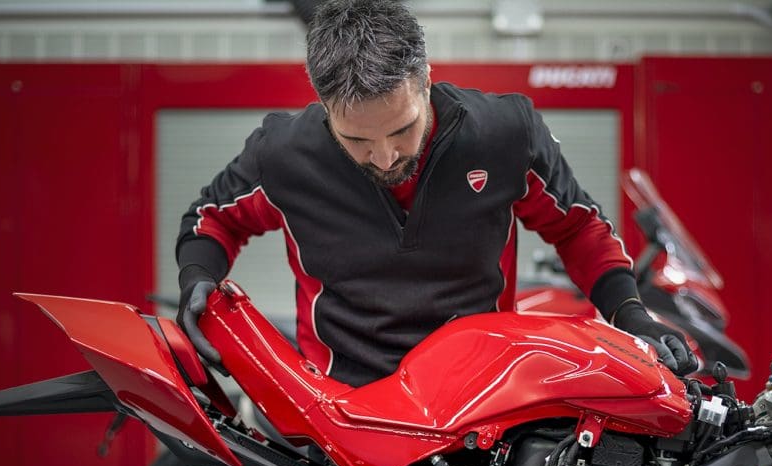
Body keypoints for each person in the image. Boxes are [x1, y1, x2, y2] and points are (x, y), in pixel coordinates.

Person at [176, 0, 694, 387]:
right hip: (342, 404)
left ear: (425, 81)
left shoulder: (503, 134)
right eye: (356, 140)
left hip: (480, 394)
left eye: (401, 130)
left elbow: (577, 226)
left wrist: (629, 314)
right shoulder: (284, 153)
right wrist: (198, 277)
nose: (383, 157)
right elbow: (212, 219)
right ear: (322, 104)